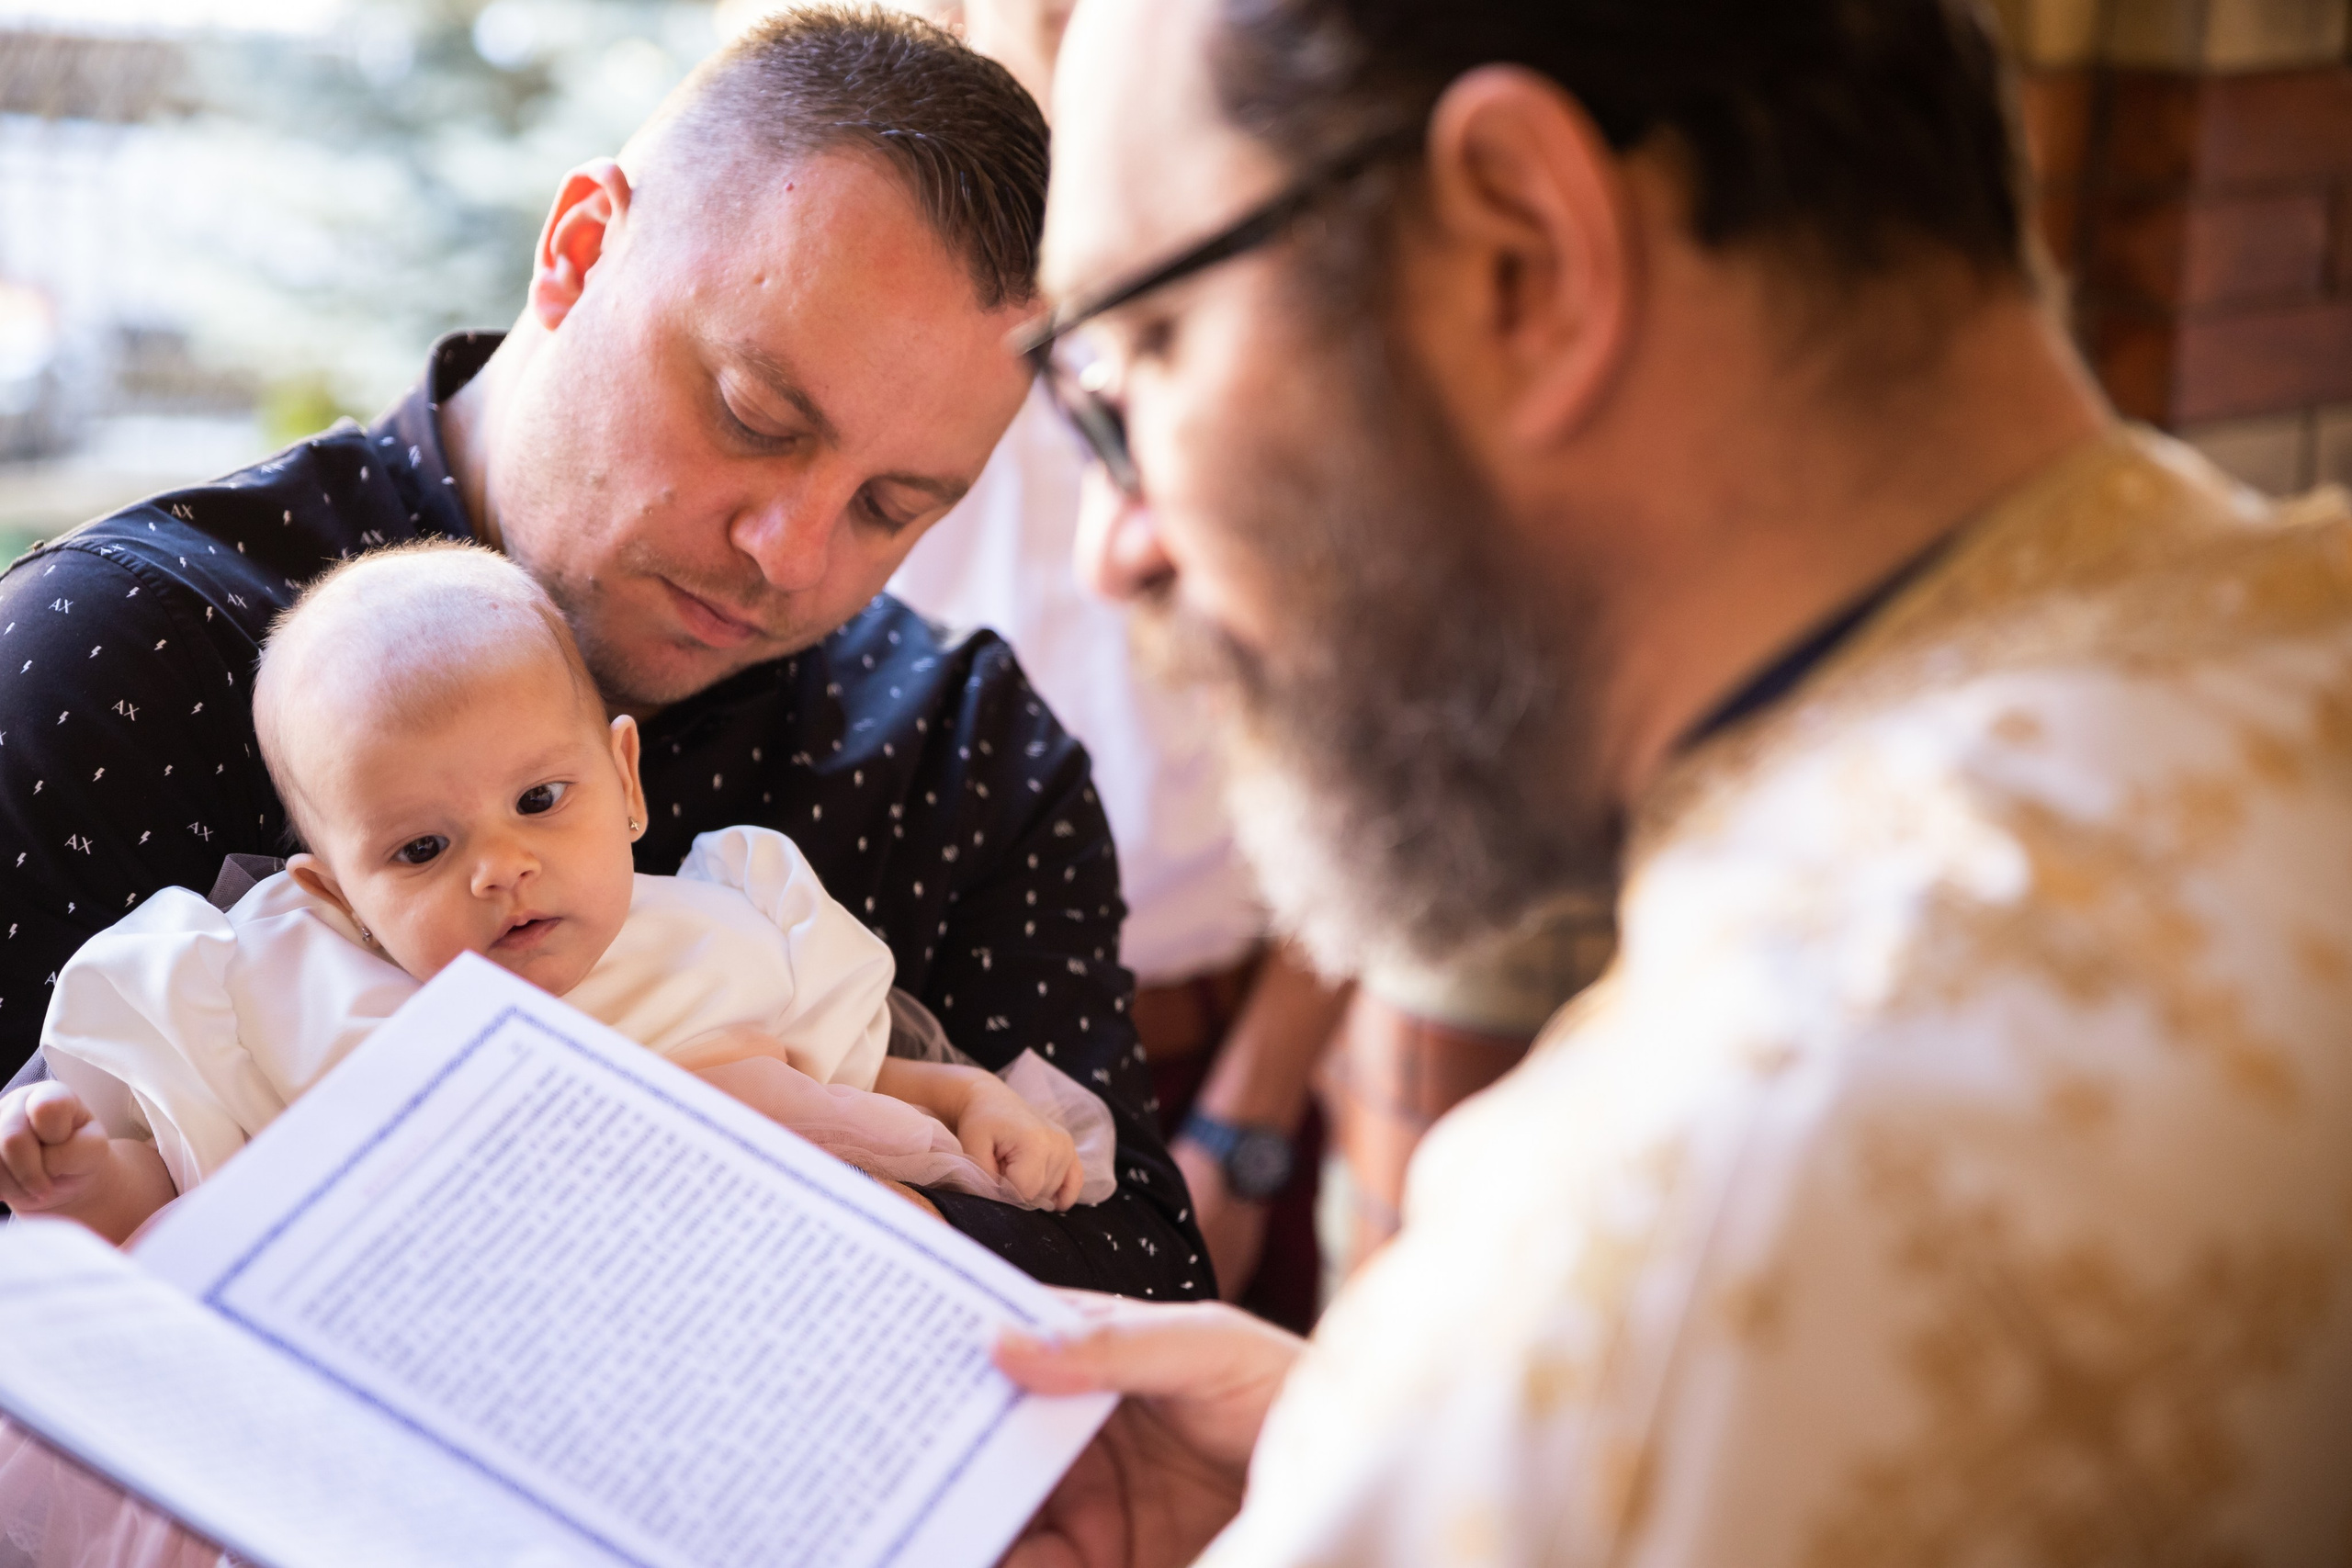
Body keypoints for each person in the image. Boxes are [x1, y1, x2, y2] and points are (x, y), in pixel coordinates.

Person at [990, 0, 2352, 1562]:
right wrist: (1372, 1456)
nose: (1117, 546)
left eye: (1133, 356)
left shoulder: (1691, 1231)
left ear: (1527, 255)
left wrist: (1495, 1447)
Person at [0, 6, 1210, 1298]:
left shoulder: (964, 758)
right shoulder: (127, 657)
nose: (790, 553)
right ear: (578, 250)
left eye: (891, 507)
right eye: (755, 416)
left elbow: (1136, 1277)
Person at [0, 544, 1106, 1244]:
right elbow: (191, 1199)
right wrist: (88, 1182)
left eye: (539, 798)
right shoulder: (289, 998)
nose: (500, 867)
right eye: (423, 848)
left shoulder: (726, 942)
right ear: (334, 895)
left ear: (626, 784)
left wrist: (971, 1105)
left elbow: (862, 1081)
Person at [886, 0, 1349, 1330]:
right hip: (937, 1050)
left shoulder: (1273, 295)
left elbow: (1383, 741)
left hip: (1227, 1049)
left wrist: (1245, 1128)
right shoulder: (872, 293)